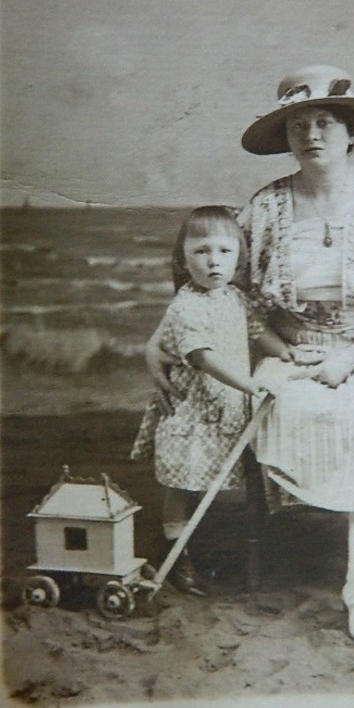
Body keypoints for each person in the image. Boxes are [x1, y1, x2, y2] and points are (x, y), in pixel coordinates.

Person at [148, 66, 354, 643]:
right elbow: (215, 278)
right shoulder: (268, 205)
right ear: (286, 139)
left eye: (324, 122)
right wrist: (159, 339)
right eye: (298, 125)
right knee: (291, 408)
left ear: (352, 133)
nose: (311, 135)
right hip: (296, 346)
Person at [131, 205, 290, 595]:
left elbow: (258, 331)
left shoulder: (234, 298)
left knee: (225, 476)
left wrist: (287, 352)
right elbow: (203, 357)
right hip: (193, 411)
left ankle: (220, 546)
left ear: (239, 257)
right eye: (202, 251)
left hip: (226, 408)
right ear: (183, 259)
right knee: (184, 484)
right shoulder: (186, 306)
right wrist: (249, 384)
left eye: (224, 251)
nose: (213, 261)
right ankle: (176, 552)